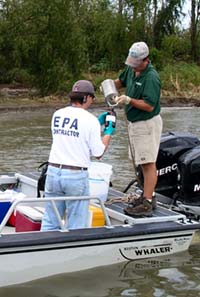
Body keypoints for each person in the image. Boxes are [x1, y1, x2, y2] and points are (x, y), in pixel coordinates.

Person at [41, 80, 115, 230]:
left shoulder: (57, 114)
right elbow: (98, 153)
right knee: (77, 224)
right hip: (75, 175)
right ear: (87, 98)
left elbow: (73, 135)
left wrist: (97, 122)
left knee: (50, 220)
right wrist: (108, 132)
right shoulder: (90, 121)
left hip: (53, 173)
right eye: (92, 98)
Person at [113, 41, 163, 216]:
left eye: (136, 63)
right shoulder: (131, 69)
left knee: (148, 163)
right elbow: (120, 82)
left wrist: (129, 100)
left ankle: (148, 202)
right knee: (138, 162)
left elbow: (149, 105)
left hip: (147, 123)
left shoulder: (151, 77)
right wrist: (109, 86)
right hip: (133, 123)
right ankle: (146, 194)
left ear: (145, 60)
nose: (133, 66)